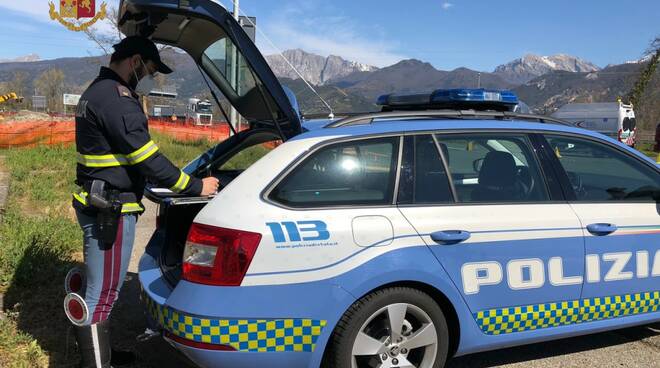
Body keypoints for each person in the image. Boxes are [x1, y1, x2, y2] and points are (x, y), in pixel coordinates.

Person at [64, 36, 219, 367]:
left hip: (100, 200)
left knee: (99, 288)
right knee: (102, 295)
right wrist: (193, 186)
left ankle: (101, 353)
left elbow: (123, 156)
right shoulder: (117, 98)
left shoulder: (99, 91)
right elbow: (146, 157)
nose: (152, 78)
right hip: (111, 209)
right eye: (150, 70)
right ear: (134, 62)